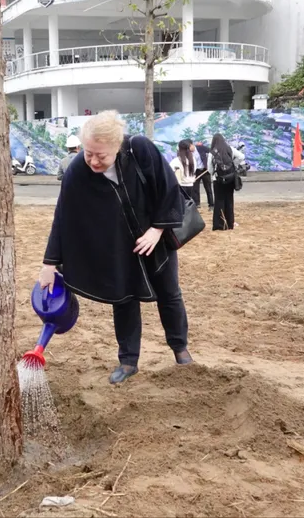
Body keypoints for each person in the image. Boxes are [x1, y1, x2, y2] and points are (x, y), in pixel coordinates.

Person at [38, 110, 191, 384]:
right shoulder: (77, 170)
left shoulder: (139, 149)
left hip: (155, 239)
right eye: (88, 153)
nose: (94, 161)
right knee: (123, 299)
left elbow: (168, 188)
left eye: (101, 155)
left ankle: (181, 350)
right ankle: (128, 361)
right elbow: (63, 216)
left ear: (117, 146)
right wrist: (49, 263)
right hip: (119, 247)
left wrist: (157, 229)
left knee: (170, 294)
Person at [206, 133, 244, 231]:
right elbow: (241, 156)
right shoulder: (230, 149)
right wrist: (233, 165)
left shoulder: (212, 153)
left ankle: (219, 225)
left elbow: (209, 169)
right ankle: (230, 223)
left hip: (218, 179)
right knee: (229, 200)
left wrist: (214, 173)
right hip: (230, 178)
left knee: (219, 201)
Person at [193, 140, 214, 210]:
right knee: (195, 188)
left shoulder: (201, 148)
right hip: (196, 171)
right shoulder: (188, 152)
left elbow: (211, 151)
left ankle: (211, 204)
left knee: (208, 188)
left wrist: (210, 164)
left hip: (205, 170)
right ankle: (196, 204)